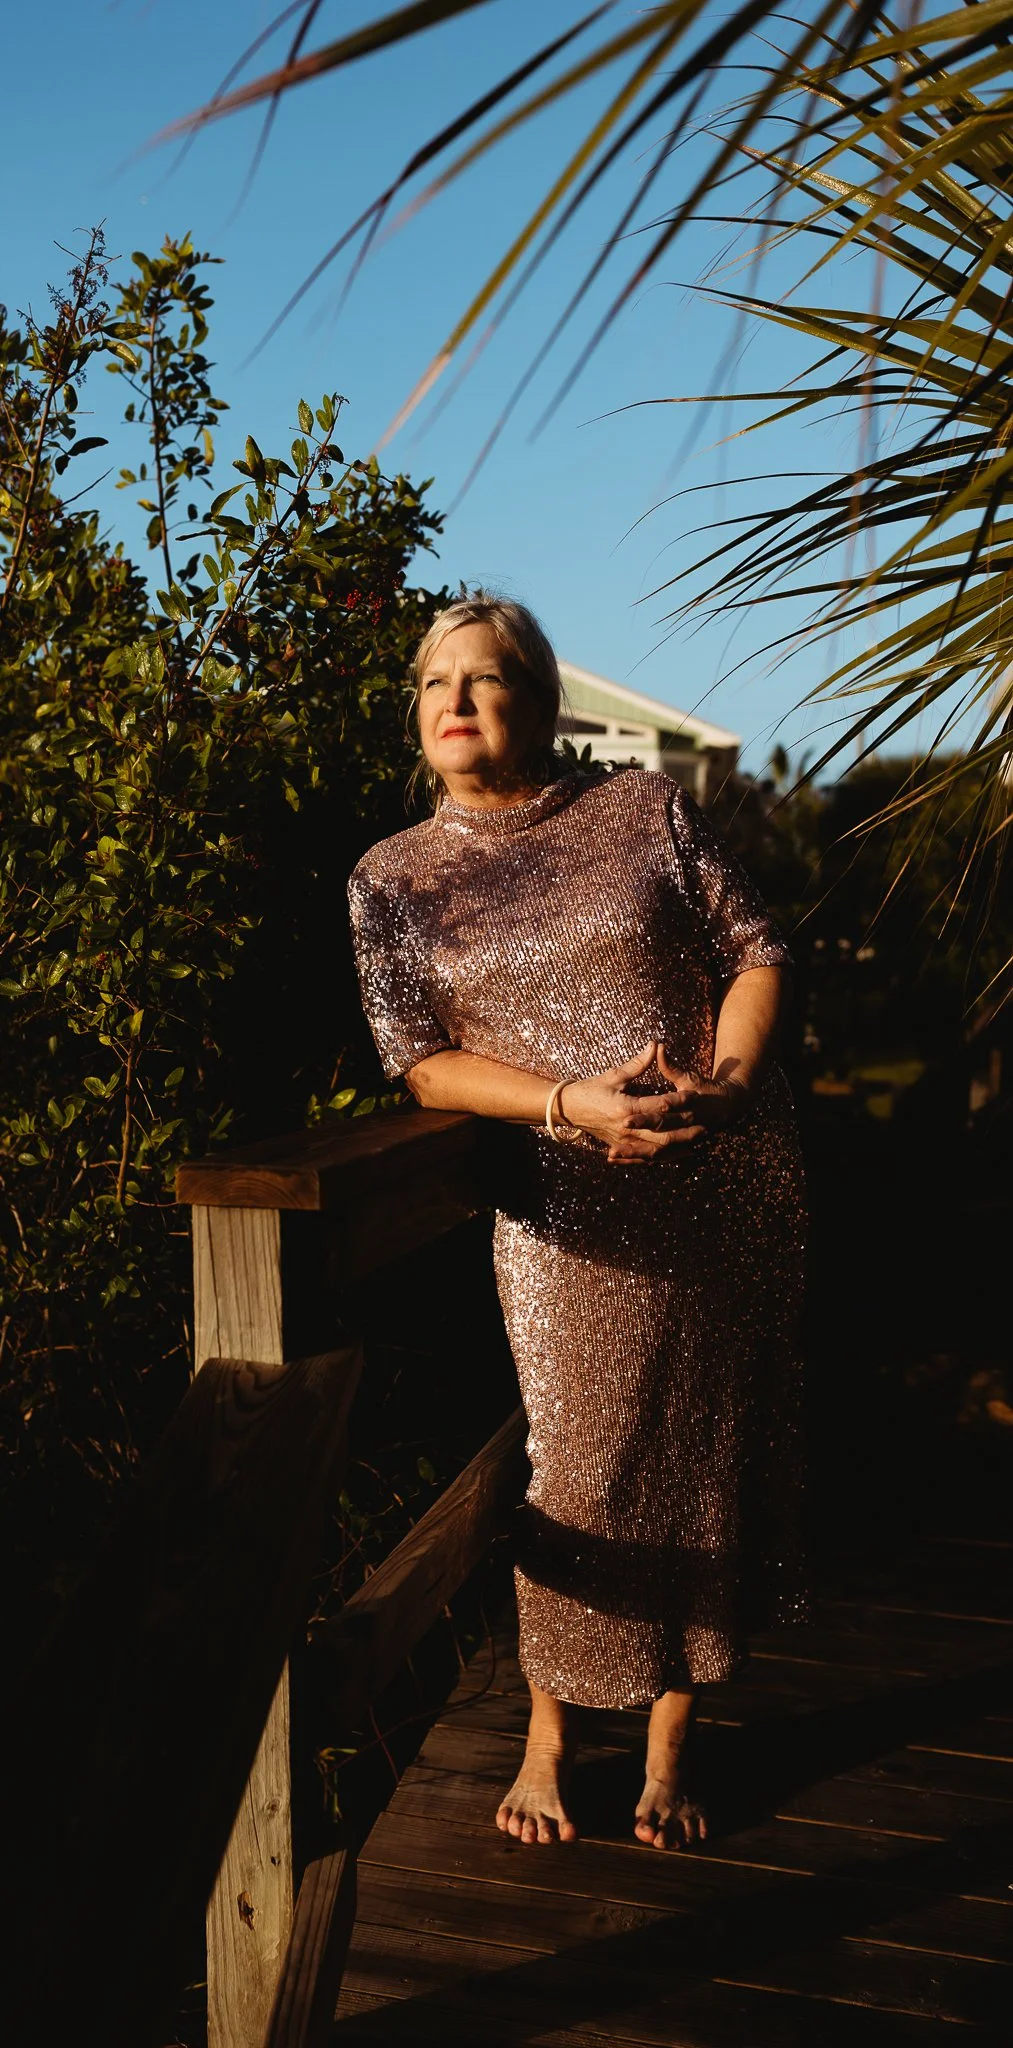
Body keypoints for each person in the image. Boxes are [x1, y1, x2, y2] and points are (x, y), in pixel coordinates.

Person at [348, 594, 807, 1851]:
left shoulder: (643, 810)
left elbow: (757, 948)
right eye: (436, 680)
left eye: (486, 678)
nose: (455, 699)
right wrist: (565, 1105)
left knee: (701, 1457)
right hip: (564, 1213)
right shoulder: (390, 877)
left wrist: (724, 1078)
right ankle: (548, 1737)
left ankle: (670, 1747)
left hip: (716, 1186)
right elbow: (421, 1064)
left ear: (538, 704)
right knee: (576, 1469)